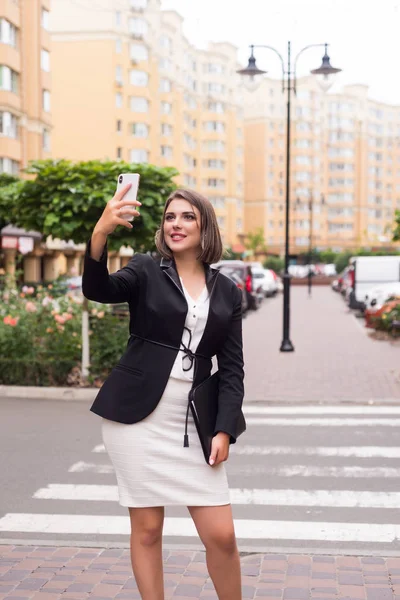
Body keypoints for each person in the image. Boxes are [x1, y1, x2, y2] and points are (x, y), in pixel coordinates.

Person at [82, 183, 245, 600]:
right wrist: (101, 233)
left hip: (195, 423)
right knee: (149, 530)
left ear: (205, 226)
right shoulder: (145, 270)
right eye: (170, 217)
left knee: (222, 536)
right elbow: (98, 290)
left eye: (188, 216)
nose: (176, 224)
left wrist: (224, 429)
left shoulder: (228, 292)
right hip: (138, 418)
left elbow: (232, 370)